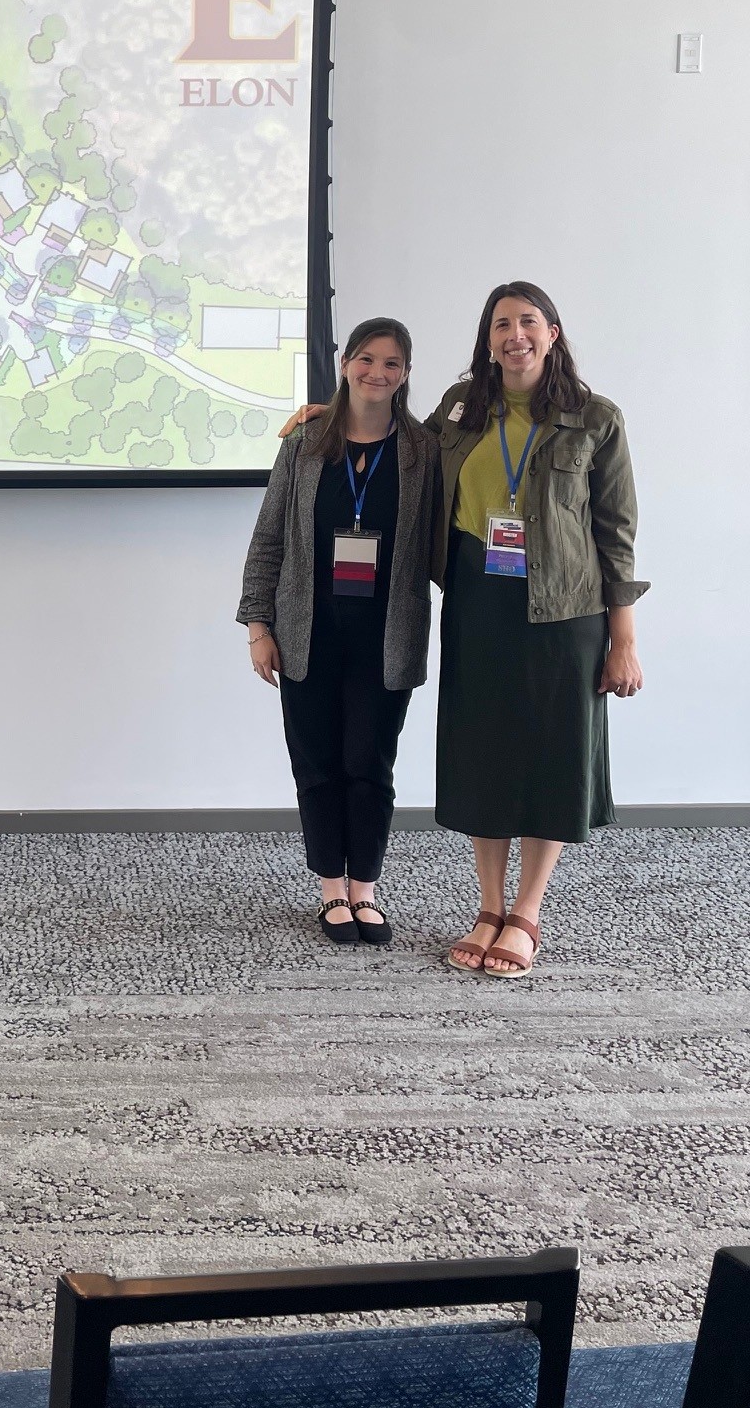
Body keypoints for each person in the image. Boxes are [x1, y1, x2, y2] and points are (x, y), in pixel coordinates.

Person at [429, 282, 646, 977]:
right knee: (484, 749)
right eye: (501, 324)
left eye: (528, 322)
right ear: (487, 339)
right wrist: (330, 417)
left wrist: (625, 639)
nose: (514, 335)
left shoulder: (596, 418)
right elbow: (400, 445)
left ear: (553, 333)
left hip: (568, 609)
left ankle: (526, 912)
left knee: (553, 754)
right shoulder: (460, 410)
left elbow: (617, 535)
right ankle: (487, 906)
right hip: (478, 599)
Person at [237, 319, 443, 947]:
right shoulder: (304, 441)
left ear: (406, 374)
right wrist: (257, 625)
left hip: (386, 635)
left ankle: (366, 890)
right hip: (308, 632)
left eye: (392, 364)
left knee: (371, 762)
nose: (377, 373)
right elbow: (269, 535)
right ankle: (332, 887)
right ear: (347, 362)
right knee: (318, 762)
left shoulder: (423, 448)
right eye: (366, 359)